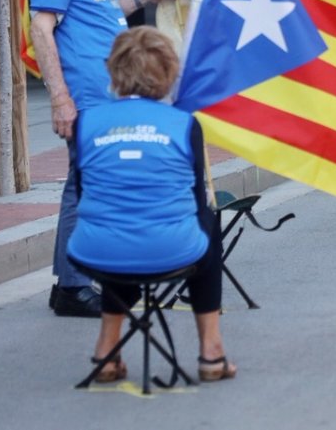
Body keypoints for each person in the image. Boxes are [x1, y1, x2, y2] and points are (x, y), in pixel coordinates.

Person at [29, 0, 175, 318]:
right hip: (87, 92)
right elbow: (42, 26)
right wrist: (60, 99)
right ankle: (72, 287)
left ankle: (75, 282)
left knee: (89, 182)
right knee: (85, 185)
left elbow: (98, 12)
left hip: (106, 89)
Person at [67, 27, 237, 383]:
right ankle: (212, 351)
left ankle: (107, 349)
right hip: (172, 250)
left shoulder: (85, 123)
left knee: (124, 233)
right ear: (167, 71)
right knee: (207, 223)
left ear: (114, 69)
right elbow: (193, 202)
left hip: (96, 249)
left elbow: (84, 194)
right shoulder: (183, 124)